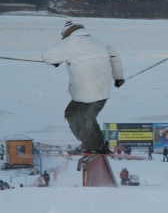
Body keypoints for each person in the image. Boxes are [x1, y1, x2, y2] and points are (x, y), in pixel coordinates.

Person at [42, 18, 125, 154]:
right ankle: (99, 145)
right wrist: (119, 77)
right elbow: (115, 57)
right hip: (103, 90)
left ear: (65, 33)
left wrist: (58, 59)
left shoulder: (69, 42)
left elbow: (47, 56)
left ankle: (91, 146)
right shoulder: (99, 41)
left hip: (85, 90)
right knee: (88, 116)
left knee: (73, 115)